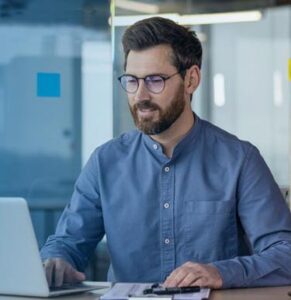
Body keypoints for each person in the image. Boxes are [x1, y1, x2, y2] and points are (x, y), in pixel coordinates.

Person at [40, 17, 291, 289]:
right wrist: (56, 262)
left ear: (191, 79)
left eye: (155, 80)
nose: (140, 96)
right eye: (132, 81)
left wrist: (221, 272)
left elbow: (285, 255)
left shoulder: (240, 161)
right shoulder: (105, 162)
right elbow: (67, 243)